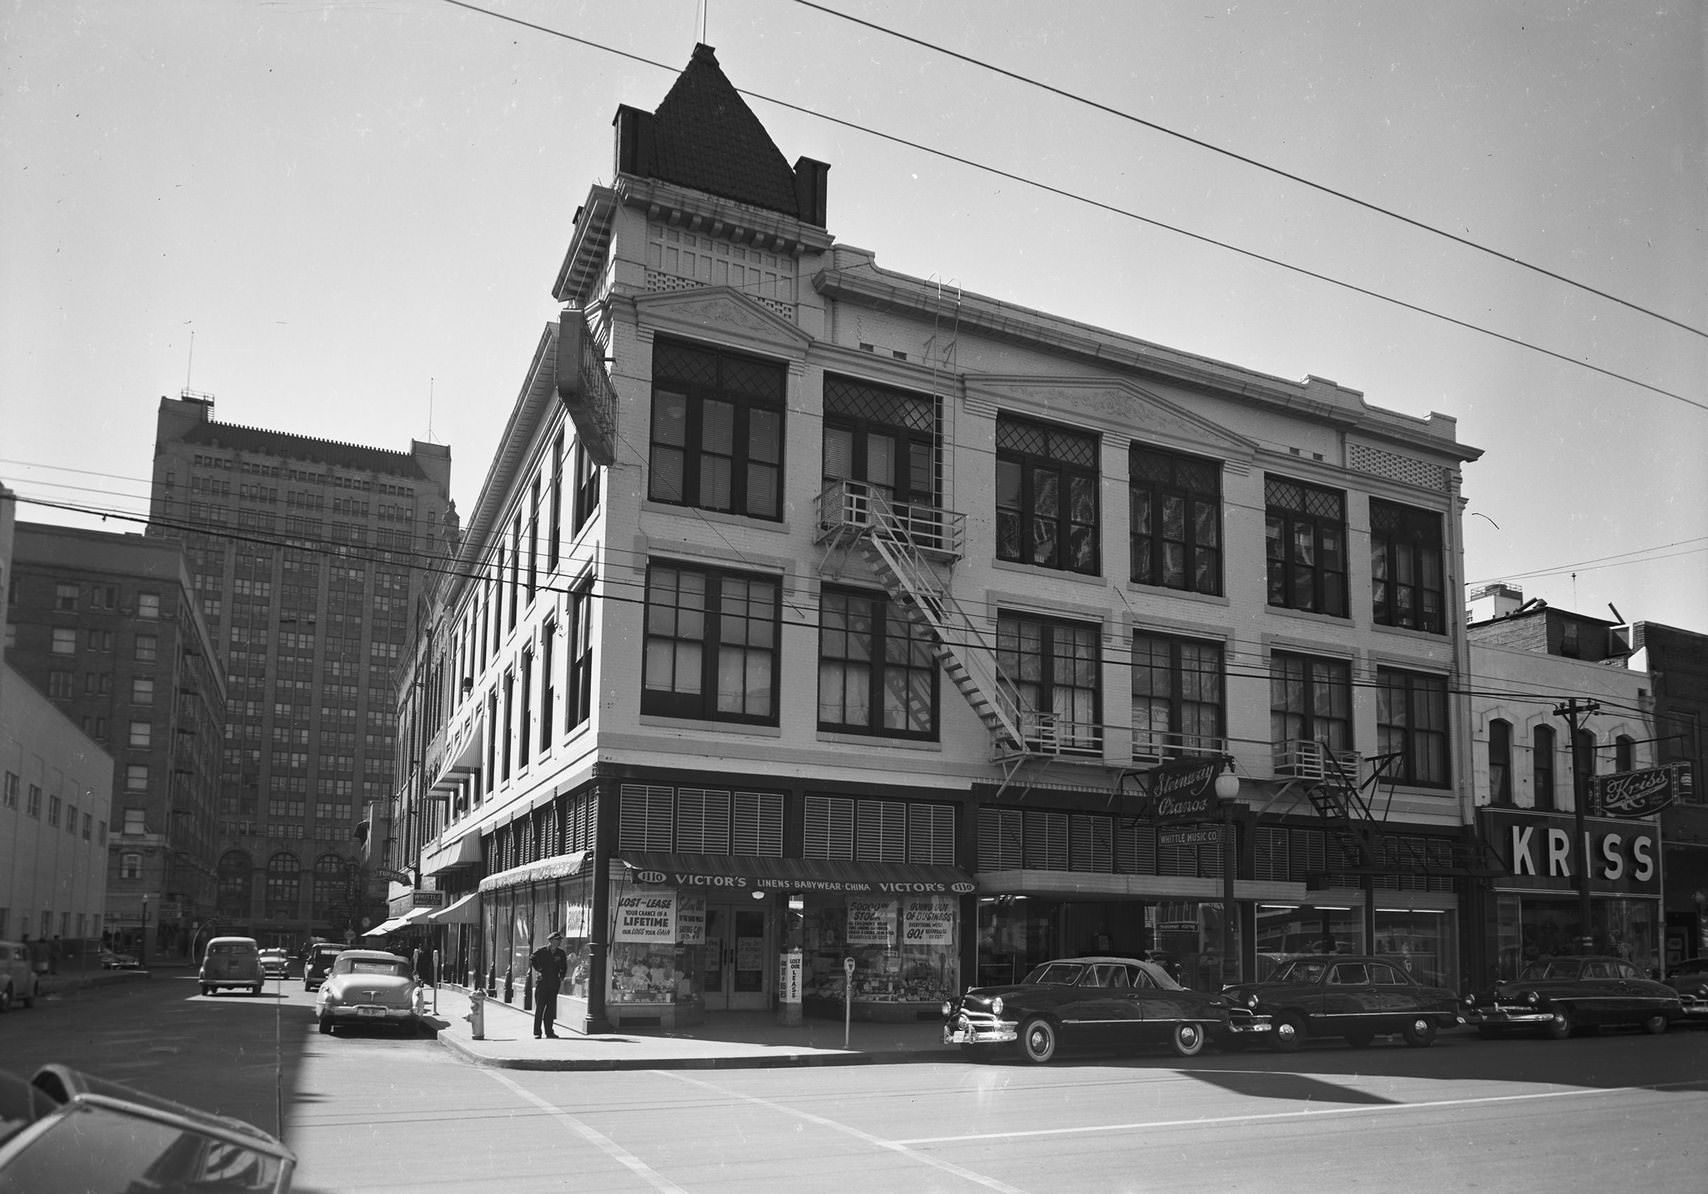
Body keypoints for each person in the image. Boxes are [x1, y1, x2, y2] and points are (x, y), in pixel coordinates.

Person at [530, 930, 569, 1040]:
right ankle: (537, 1032)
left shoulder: (560, 953)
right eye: (557, 940)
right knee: (540, 1009)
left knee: (550, 1010)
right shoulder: (542, 951)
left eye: (559, 940)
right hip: (542, 983)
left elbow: (564, 966)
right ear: (551, 941)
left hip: (553, 983)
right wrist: (539, 969)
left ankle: (549, 1032)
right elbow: (532, 958)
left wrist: (562, 976)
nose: (559, 942)